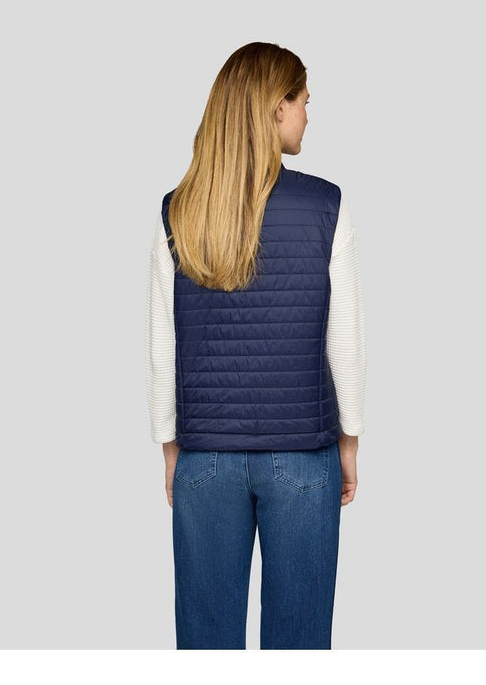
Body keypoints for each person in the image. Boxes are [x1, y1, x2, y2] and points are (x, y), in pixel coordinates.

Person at [145, 41, 366, 650]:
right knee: (299, 652)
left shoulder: (178, 210)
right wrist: (350, 442)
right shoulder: (326, 205)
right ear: (275, 107)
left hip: (204, 459)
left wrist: (171, 449)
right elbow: (345, 341)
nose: (307, 116)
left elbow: (163, 349)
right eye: (303, 102)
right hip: (303, 457)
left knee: (205, 652)